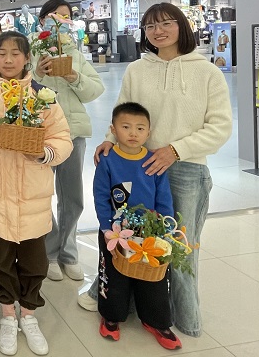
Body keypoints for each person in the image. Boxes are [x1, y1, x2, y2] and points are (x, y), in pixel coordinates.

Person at [82, 2, 232, 339]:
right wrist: (110, 139)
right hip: (139, 166)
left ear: (182, 26)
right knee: (129, 233)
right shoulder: (137, 69)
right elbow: (123, 112)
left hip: (187, 168)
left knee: (178, 244)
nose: (157, 31)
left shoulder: (206, 71)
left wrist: (176, 150)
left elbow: (220, 127)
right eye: (150, 26)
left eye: (165, 23)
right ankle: (119, 301)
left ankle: (185, 316)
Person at [0, 31, 72, 357]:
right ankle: (8, 315)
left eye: (15, 53)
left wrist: (44, 154)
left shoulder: (43, 96)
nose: (8, 60)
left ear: (27, 58)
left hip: (31, 195)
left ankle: (29, 315)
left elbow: (62, 139)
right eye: (2, 53)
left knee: (35, 262)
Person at [94, 102, 181, 350]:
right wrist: (106, 228)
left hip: (150, 232)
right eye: (126, 127)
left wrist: (166, 230)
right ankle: (111, 317)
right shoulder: (108, 160)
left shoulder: (154, 161)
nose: (133, 133)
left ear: (148, 132)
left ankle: (157, 322)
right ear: (113, 129)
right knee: (114, 276)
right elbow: (101, 196)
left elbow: (164, 198)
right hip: (114, 232)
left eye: (140, 128)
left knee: (154, 278)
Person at [31, 0, 104, 283]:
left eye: (66, 17)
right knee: (41, 194)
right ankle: (49, 252)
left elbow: (95, 90)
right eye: (54, 16)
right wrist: (38, 73)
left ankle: (69, 252)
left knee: (72, 196)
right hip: (41, 134)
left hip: (73, 133)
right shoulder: (31, 49)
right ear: (42, 20)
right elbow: (17, 87)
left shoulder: (75, 53)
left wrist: (73, 76)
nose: (60, 21)